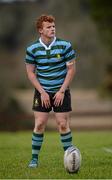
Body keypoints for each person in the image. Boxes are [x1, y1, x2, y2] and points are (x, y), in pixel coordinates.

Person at [25, 14, 76, 168]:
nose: (52, 29)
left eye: (53, 26)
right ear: (41, 30)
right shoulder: (32, 49)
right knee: (40, 124)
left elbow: (71, 70)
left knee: (62, 124)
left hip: (61, 90)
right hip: (42, 91)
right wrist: (42, 92)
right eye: (49, 27)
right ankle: (34, 159)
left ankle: (70, 159)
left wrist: (61, 91)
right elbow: (31, 73)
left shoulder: (65, 45)